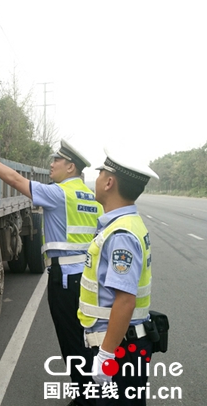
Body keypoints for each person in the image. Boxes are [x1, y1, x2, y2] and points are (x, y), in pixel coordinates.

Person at [0, 137, 102, 406]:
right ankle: (92, 394)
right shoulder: (91, 198)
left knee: (72, 342)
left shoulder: (59, 193)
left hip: (64, 280)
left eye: (56, 161)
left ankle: (86, 400)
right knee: (88, 341)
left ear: (71, 167)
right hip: (87, 279)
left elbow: (14, 179)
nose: (51, 165)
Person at [77, 148, 159, 405]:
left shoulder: (121, 233)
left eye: (101, 172)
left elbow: (125, 300)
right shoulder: (124, 224)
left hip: (119, 347)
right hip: (122, 343)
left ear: (110, 182)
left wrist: (106, 355)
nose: (98, 176)